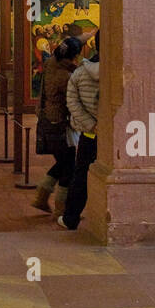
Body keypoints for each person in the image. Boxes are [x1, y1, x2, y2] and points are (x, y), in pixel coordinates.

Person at [32, 37, 81, 216]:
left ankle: (41, 197)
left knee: (63, 162)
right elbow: (73, 102)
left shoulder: (51, 64)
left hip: (47, 120)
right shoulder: (65, 77)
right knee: (69, 166)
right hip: (60, 123)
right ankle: (62, 208)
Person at [59, 48, 100, 231]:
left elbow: (72, 102)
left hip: (90, 134)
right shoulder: (122, 71)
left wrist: (91, 124)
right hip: (117, 135)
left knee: (81, 176)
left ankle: (71, 217)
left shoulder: (80, 72)